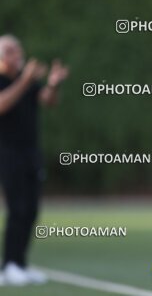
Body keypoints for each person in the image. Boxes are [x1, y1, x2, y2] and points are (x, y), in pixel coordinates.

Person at [0, 35, 69, 286]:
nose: (15, 55)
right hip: (7, 154)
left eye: (17, 50)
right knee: (16, 209)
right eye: (9, 51)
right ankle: (7, 266)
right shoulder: (11, 81)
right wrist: (25, 80)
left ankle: (19, 264)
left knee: (31, 210)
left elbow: (49, 101)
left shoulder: (28, 81)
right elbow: (2, 105)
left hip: (31, 154)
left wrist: (52, 84)